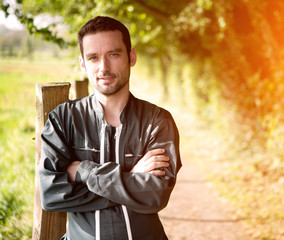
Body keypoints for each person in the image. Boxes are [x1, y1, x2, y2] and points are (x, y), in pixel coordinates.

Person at [39, 16, 181, 240]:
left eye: (113, 54)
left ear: (131, 57)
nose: (104, 67)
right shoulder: (64, 119)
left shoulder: (157, 121)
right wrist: (131, 177)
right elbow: (52, 194)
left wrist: (83, 171)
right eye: (93, 57)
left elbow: (155, 194)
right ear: (83, 63)